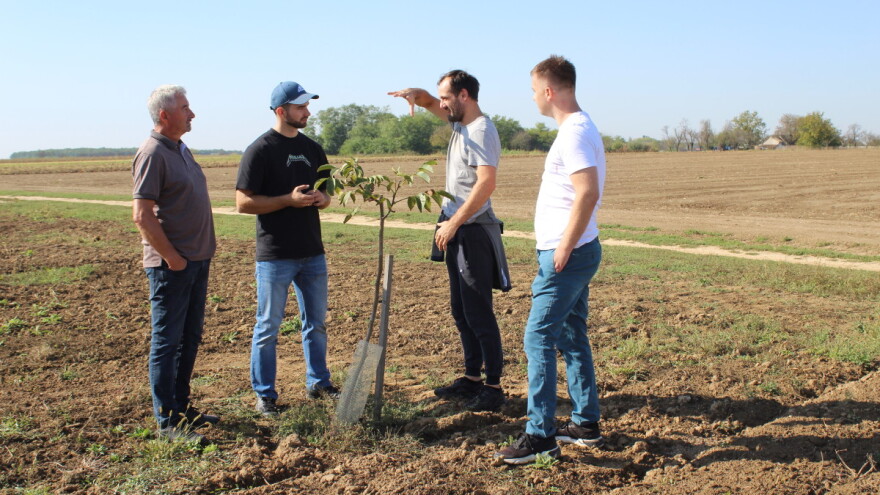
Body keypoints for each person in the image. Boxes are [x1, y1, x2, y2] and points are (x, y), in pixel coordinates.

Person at [494, 56, 607, 465]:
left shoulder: (574, 133)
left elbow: (588, 191)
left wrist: (563, 245)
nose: (531, 98)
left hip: (568, 253)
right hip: (575, 250)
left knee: (538, 337)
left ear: (548, 91)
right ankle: (585, 424)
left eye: (531, 90)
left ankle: (539, 435)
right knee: (572, 334)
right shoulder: (580, 127)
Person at [390, 70, 511, 412]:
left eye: (446, 97)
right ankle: (472, 378)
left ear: (464, 96)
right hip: (455, 228)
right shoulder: (460, 123)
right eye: (441, 98)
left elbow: (486, 184)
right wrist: (418, 95)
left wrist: (454, 223)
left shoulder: (482, 130)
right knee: (461, 310)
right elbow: (429, 101)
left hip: (471, 230)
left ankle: (493, 386)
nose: (441, 104)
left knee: (478, 311)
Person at [236, 81, 337, 416]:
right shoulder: (260, 150)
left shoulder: (313, 149)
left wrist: (322, 200)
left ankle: (319, 383)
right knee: (268, 326)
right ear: (281, 111)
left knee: (316, 323)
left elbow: (328, 195)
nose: (307, 112)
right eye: (300, 107)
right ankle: (265, 396)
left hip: (313, 251)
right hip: (275, 255)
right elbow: (243, 203)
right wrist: (287, 201)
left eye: (307, 106)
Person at [132, 85, 219, 444]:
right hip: (173, 267)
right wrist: (172, 258)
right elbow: (142, 215)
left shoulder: (180, 148)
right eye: (185, 108)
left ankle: (182, 407)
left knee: (189, 337)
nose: (192, 113)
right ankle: (167, 421)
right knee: (167, 342)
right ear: (165, 115)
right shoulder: (152, 152)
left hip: (196, 261)